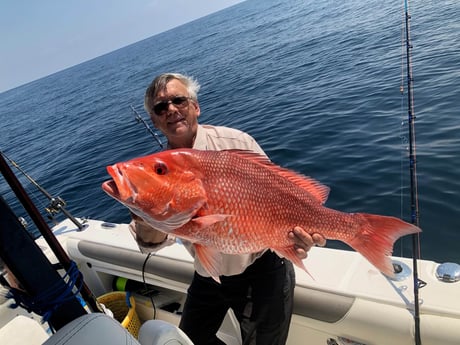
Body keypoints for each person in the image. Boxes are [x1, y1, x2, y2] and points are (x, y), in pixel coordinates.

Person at [129, 73, 326, 345]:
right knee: (188, 339)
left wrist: (297, 239)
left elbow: (282, 194)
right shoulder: (157, 173)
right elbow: (150, 244)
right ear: (155, 120)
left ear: (195, 107)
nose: (171, 109)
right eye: (161, 107)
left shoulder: (236, 143)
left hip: (262, 269)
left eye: (178, 100)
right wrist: (147, 219)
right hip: (209, 274)